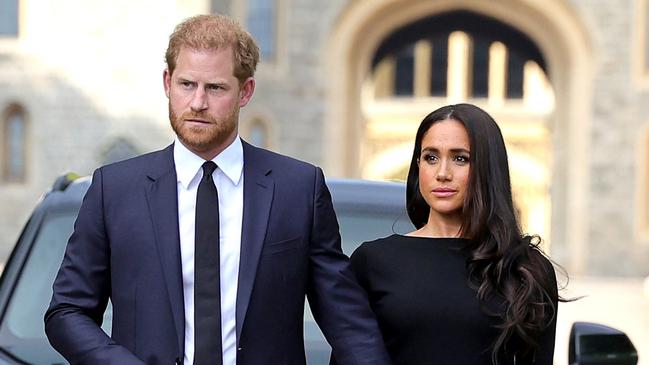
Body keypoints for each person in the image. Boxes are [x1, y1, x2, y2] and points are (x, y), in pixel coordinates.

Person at [44, 14, 390, 365]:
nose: (197, 102)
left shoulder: (298, 190)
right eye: (187, 84)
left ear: (246, 91)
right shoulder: (114, 190)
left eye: (215, 88)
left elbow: (348, 324)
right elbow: (67, 311)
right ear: (167, 82)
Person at [349, 103, 560, 364]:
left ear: (487, 168)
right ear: (418, 166)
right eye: (431, 157)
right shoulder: (373, 261)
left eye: (460, 158)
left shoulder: (526, 269)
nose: (442, 174)